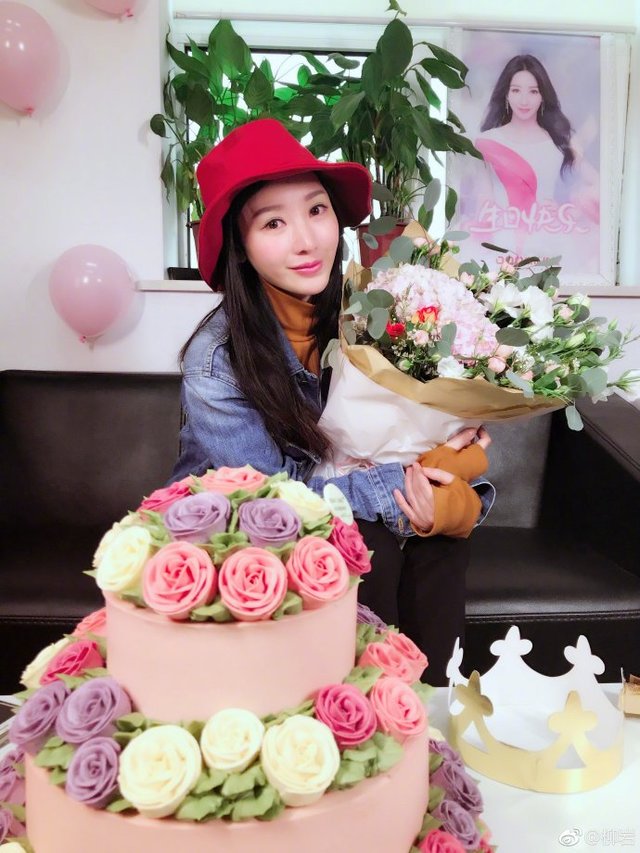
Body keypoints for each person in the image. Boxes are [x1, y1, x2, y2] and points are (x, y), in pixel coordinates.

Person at [170, 118, 494, 684]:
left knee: (439, 542)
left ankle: (430, 711)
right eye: (273, 222)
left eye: (316, 210)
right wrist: (403, 486)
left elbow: (426, 426)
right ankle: (361, 713)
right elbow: (268, 507)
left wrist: (451, 474)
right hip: (243, 533)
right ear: (240, 248)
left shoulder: (373, 311)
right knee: (368, 543)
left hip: (347, 504)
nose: (306, 240)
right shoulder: (216, 360)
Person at [475, 54, 575, 214]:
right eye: (516, 90)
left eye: (533, 92)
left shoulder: (558, 144)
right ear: (506, 94)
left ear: (542, 96)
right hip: (500, 227)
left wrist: (560, 211)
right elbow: (483, 204)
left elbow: (584, 193)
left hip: (547, 227)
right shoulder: (487, 142)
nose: (524, 101)